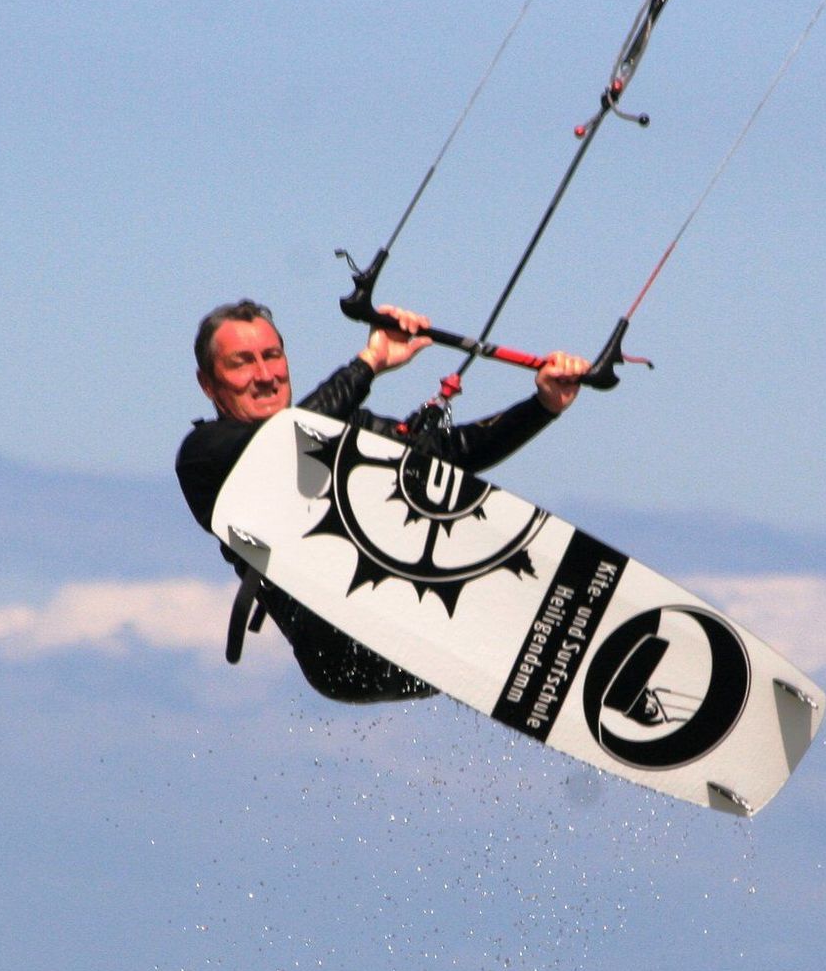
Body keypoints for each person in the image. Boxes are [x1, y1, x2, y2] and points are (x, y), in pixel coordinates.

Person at [177, 299, 588, 703]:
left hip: (413, 633)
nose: (265, 374)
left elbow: (453, 453)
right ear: (208, 384)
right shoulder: (205, 455)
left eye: (272, 356)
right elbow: (289, 441)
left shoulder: (344, 428)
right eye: (242, 362)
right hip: (340, 656)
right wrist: (372, 359)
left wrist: (543, 407)